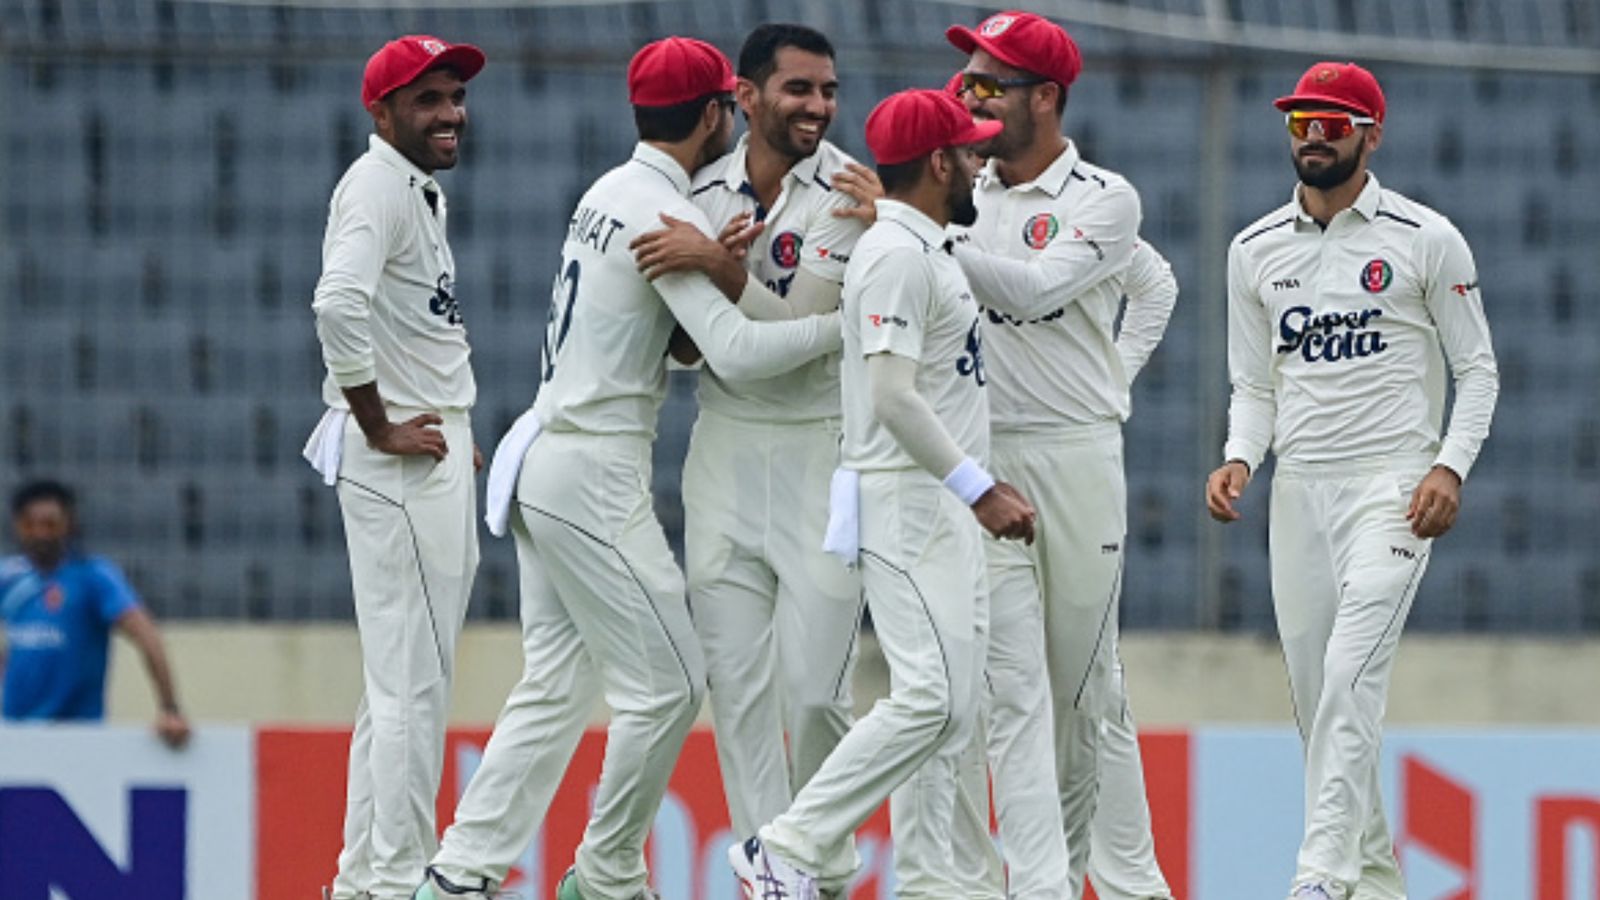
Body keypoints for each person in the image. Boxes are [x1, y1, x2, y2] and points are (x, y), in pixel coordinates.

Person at [416, 37, 843, 900]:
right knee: (673, 683)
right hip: (592, 469)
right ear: (719, 113)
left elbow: (674, 338)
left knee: (556, 687)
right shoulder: (664, 213)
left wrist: (715, 268)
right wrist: (862, 325)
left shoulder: (614, 190)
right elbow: (738, 352)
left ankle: (457, 877)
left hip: (545, 454)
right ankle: (606, 877)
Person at [729, 87, 1037, 900]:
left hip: (937, 504)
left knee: (952, 709)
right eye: (969, 151)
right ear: (938, 163)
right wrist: (980, 490)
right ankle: (787, 844)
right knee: (934, 698)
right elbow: (894, 396)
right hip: (910, 502)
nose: (980, 162)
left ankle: (943, 882)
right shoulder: (896, 256)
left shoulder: (922, 245)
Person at [1205, 61, 1498, 900]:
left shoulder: (1424, 237)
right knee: (1316, 700)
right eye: (1302, 121)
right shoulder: (1253, 249)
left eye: (1334, 121)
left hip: (1394, 489)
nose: (1316, 134)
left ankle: (1319, 879)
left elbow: (1477, 371)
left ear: (1371, 133)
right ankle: (1376, 884)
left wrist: (1448, 465)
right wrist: (1239, 456)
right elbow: (1255, 385)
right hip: (1299, 491)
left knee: (1347, 677)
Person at [624, 24, 868, 893]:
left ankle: (821, 867)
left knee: (814, 695)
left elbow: (804, 331)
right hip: (723, 449)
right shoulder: (697, 186)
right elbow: (690, 349)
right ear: (746, 96)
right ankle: (774, 881)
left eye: (827, 91)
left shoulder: (846, 192)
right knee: (739, 696)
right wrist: (705, 284)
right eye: (798, 89)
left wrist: (718, 274)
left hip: (819, 449)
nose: (817, 107)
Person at [944, 11, 1144, 897]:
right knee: (1012, 689)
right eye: (968, 82)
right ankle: (1045, 883)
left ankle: (1125, 878)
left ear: (1047, 98)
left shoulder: (1104, 197)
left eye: (990, 85)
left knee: (1084, 692)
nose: (971, 97)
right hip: (987, 463)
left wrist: (1113, 384)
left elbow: (1034, 293)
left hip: (1078, 461)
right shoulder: (963, 190)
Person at [304, 33, 486, 900]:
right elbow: (337, 303)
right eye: (428, 99)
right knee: (414, 686)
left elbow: (410, 317)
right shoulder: (377, 184)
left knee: (397, 687)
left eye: (454, 96)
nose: (450, 113)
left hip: (429, 445)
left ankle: (363, 877)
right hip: (401, 464)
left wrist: (448, 410)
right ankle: (402, 878)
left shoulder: (410, 187)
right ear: (380, 111)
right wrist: (379, 423)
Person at [0, 480, 190, 749]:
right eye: (31, 524)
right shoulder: (9, 577)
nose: (41, 533)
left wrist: (169, 708)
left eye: (50, 524)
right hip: (15, 736)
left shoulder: (92, 577)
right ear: (18, 526)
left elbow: (144, 633)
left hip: (79, 737)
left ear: (69, 524)